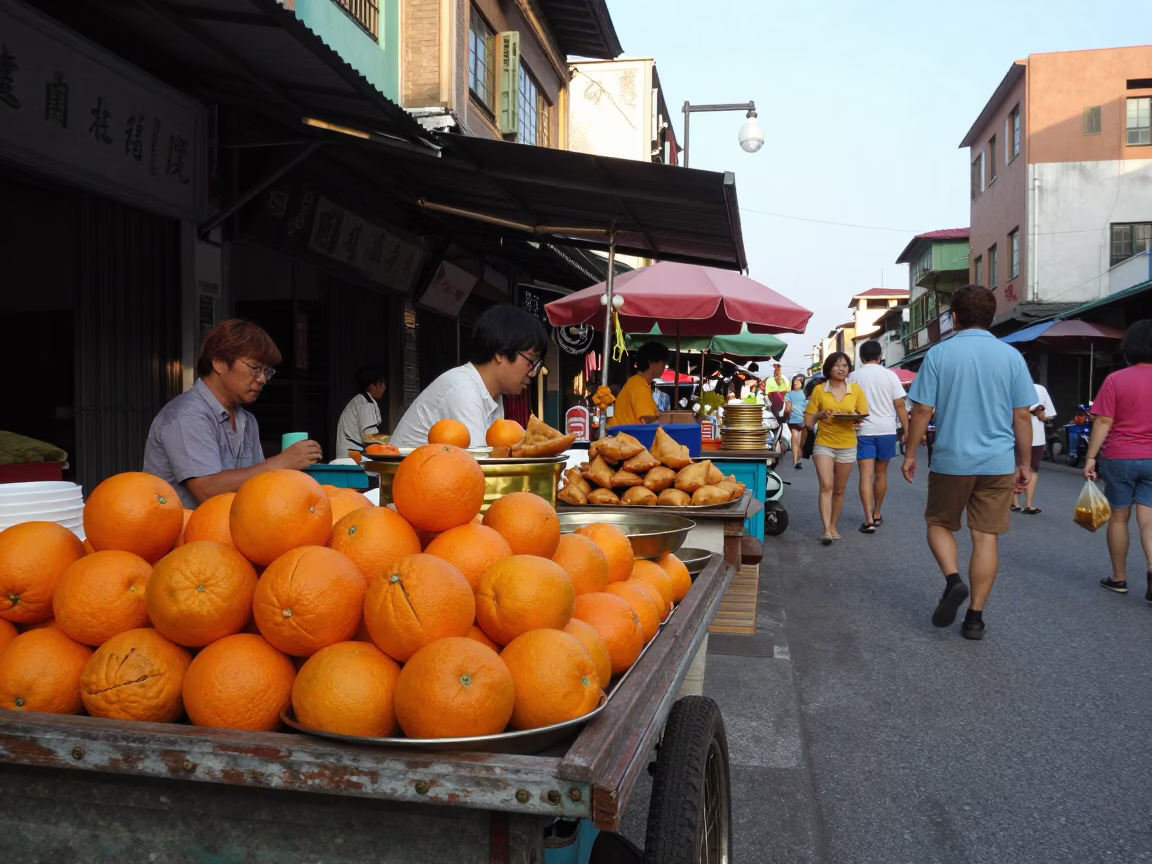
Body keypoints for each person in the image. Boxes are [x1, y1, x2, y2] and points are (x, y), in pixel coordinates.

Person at [902, 285, 1034, 641]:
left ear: (954, 318)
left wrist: (911, 453)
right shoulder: (1011, 356)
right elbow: (1022, 416)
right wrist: (1024, 463)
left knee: (939, 523)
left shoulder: (940, 355)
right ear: (990, 317)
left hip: (951, 460)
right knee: (986, 537)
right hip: (998, 462)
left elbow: (923, 411)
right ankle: (975, 618)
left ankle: (952, 579)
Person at [143, 319, 323, 509]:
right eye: (255, 368)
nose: (262, 379)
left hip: (232, 531)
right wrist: (282, 462)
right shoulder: (188, 415)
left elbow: (258, 487)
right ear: (219, 363)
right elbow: (207, 491)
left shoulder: (247, 421)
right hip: (186, 534)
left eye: (266, 371)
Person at [391, 306, 548, 447]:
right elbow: (479, 466)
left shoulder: (493, 394)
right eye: (531, 361)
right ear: (501, 353)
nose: (533, 373)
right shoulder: (462, 389)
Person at [1083, 319, 1152, 597]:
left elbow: (1102, 422)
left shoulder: (1115, 379)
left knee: (1119, 518)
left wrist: (1090, 457)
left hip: (1120, 456)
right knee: (1148, 519)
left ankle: (1119, 578)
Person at [805, 353, 869, 545]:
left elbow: (862, 415)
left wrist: (854, 417)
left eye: (845, 365)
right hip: (824, 442)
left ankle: (833, 525)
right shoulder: (818, 390)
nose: (841, 369)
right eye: (837, 365)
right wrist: (819, 415)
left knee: (839, 489)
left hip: (848, 444)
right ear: (829, 369)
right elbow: (808, 422)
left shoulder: (856, 389)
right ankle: (826, 529)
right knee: (827, 485)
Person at [849, 340, 909, 533]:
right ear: (880, 356)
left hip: (863, 430)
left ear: (861, 358)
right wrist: (907, 430)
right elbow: (900, 405)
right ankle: (877, 513)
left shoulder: (853, 376)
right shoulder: (890, 376)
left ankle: (868, 520)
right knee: (881, 474)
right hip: (887, 430)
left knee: (865, 475)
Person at [1011, 374, 1056, 515]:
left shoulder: (1012, 388)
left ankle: (1015, 503)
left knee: (1017, 467)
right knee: (1032, 469)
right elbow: (1050, 413)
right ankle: (1027, 504)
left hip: (1017, 435)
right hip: (1034, 437)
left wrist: (1040, 413)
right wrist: (1040, 414)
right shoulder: (1039, 389)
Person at [609, 341, 669, 427]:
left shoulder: (637, 382)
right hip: (628, 438)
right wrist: (670, 419)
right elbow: (650, 421)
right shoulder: (639, 385)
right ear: (650, 362)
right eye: (663, 363)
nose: (664, 367)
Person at [336, 365, 387, 455]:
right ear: (372, 386)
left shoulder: (361, 400)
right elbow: (369, 437)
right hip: (352, 457)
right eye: (381, 384)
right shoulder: (365, 404)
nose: (384, 387)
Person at [785, 375, 809, 470]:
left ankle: (796, 460)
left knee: (796, 441)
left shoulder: (789, 394)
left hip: (796, 419)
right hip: (798, 419)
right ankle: (797, 461)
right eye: (797, 380)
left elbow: (787, 408)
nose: (799, 381)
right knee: (798, 441)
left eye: (800, 380)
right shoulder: (804, 393)